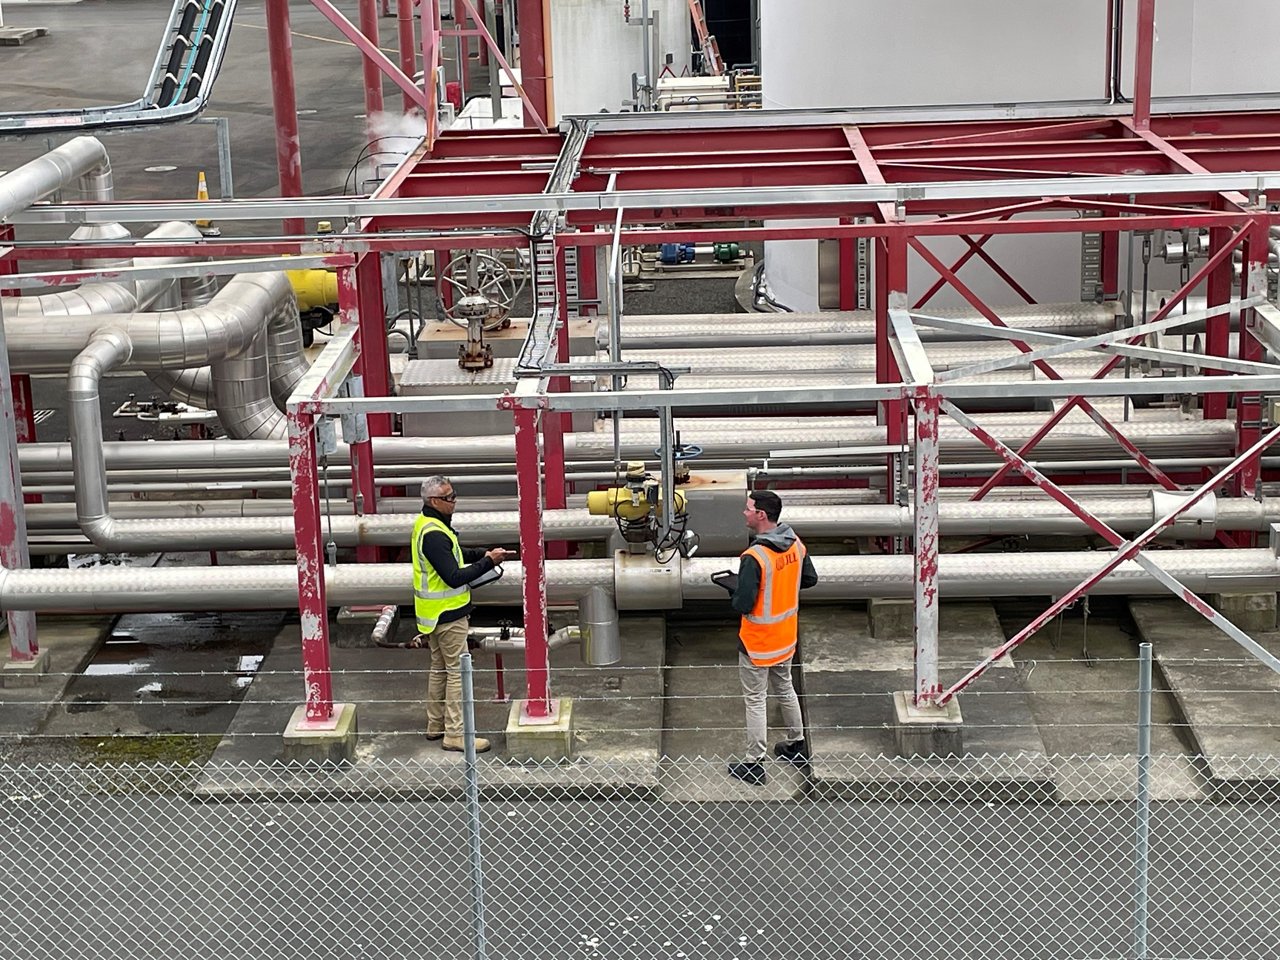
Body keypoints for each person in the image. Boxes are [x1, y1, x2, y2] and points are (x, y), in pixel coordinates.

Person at [726, 490, 818, 786]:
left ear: (761, 515)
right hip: (786, 636)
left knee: (755, 700)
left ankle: (754, 763)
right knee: (785, 687)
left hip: (757, 642)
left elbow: (743, 604)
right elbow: (809, 579)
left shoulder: (755, 556)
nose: (744, 512)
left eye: (748, 508)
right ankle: (796, 745)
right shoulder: (795, 544)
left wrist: (735, 589)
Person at [411, 475, 507, 753]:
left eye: (454, 495)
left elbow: (454, 553)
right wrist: (488, 562)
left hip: (433, 615)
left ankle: (435, 725)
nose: (454, 501)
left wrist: (482, 554)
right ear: (434, 501)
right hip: (449, 614)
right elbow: (453, 576)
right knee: (457, 672)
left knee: (439, 668)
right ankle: (455, 734)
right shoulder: (435, 534)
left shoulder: (426, 525)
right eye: (449, 497)